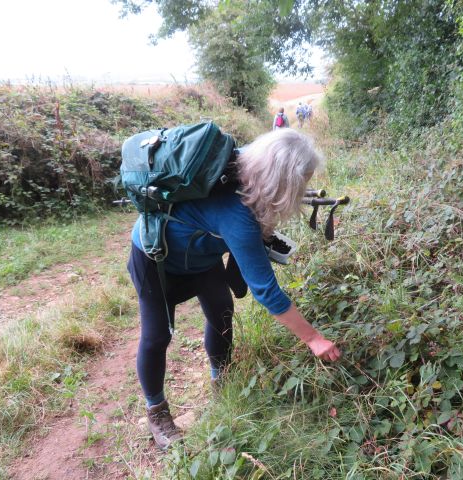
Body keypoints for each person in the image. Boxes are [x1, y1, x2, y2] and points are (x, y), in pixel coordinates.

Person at [127, 128, 341, 450]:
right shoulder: (236, 214)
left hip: (201, 256)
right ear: (280, 180)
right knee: (157, 335)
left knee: (222, 316)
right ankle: (157, 413)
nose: (302, 190)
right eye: (300, 183)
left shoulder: (247, 163)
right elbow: (266, 291)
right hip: (155, 257)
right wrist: (314, 339)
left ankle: (221, 379)